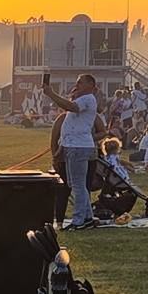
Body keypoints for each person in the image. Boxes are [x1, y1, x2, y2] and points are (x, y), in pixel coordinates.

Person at [43, 73, 102, 231]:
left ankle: (78, 220)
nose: (77, 85)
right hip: (74, 146)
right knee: (76, 184)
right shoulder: (81, 99)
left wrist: (51, 93)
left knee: (77, 185)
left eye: (80, 82)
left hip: (79, 147)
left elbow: (71, 107)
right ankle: (88, 217)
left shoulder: (87, 99)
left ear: (90, 85)